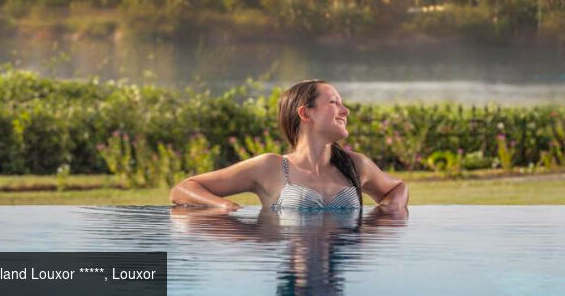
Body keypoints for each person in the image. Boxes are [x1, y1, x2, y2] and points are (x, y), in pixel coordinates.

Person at [170, 79, 409, 212]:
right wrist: (223, 205)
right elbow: (184, 189)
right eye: (334, 103)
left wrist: (386, 215)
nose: (345, 111)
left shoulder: (356, 165)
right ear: (306, 113)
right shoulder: (269, 167)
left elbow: (397, 189)